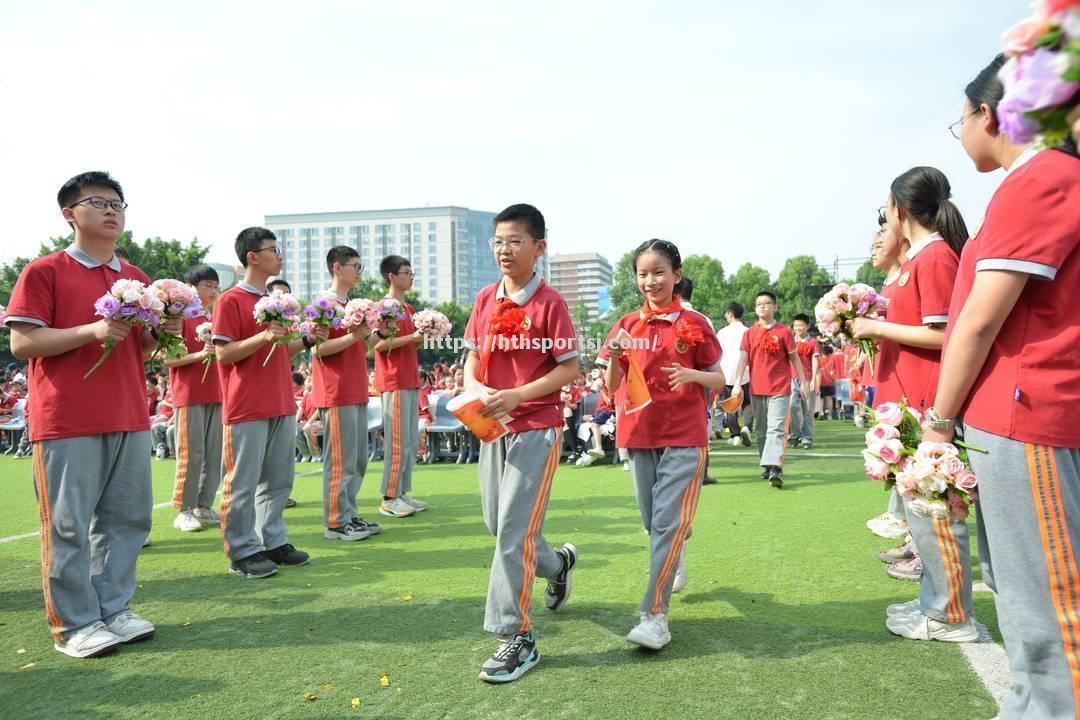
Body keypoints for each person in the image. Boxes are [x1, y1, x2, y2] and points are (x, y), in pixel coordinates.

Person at [923, 55, 1079, 715]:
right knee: (1024, 591)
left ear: (991, 114)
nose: (965, 135)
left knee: (1045, 603)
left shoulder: (1042, 176)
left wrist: (936, 420)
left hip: (1026, 409)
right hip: (1014, 415)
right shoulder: (1043, 178)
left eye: (961, 123)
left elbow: (980, 321)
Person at [6, 171, 180, 657]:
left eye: (118, 204)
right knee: (68, 525)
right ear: (69, 213)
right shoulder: (44, 271)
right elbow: (22, 343)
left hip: (127, 413)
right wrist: (91, 331)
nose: (111, 212)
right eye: (98, 202)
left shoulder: (137, 279)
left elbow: (141, 349)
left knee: (127, 519)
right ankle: (74, 623)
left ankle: (113, 608)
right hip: (66, 417)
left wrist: (163, 327)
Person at [849, 165, 974, 643]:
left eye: (886, 208)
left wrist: (876, 328)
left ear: (899, 210)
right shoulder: (922, 259)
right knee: (924, 516)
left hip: (928, 406)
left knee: (937, 513)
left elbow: (945, 335)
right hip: (910, 406)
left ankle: (950, 615)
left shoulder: (935, 257)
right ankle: (938, 606)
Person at [462, 203, 579, 683]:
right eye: (498, 241)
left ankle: (518, 637)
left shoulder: (550, 303)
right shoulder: (486, 298)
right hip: (493, 426)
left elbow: (569, 369)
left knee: (512, 532)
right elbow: (470, 359)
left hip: (537, 425)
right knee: (502, 527)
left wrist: (516, 395)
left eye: (514, 241)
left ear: (539, 248)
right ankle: (558, 565)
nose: (504, 250)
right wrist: (477, 388)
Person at [598, 239, 724, 650]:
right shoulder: (625, 325)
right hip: (638, 434)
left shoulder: (696, 323)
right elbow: (612, 386)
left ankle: (654, 616)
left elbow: (719, 379)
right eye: (643, 274)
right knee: (654, 524)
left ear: (677, 274)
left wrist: (693, 376)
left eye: (658, 272)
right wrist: (616, 358)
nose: (650, 281)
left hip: (685, 435)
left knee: (666, 526)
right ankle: (675, 553)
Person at [212, 227, 324, 579]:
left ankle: (272, 540)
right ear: (252, 257)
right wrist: (263, 334)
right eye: (273, 249)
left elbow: (278, 351)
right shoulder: (230, 300)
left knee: (278, 480)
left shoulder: (276, 303)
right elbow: (224, 353)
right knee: (242, 481)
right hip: (246, 403)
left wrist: (305, 339)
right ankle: (241, 550)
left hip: (279, 400)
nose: (280, 255)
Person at [310, 246, 380, 541]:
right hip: (335, 390)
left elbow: (362, 348)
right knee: (340, 460)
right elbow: (316, 348)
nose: (359, 272)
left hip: (356, 387)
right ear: (337, 268)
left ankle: (349, 513)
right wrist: (355, 335)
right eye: (356, 266)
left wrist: (377, 334)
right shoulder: (324, 303)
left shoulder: (353, 305)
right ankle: (336, 522)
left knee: (357, 459)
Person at [164, 264, 224, 533]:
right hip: (189, 394)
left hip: (216, 391)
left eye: (215, 286)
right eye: (207, 285)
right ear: (192, 288)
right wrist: (201, 355)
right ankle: (184, 509)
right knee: (192, 453)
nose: (213, 291)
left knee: (214, 453)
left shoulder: (214, 318)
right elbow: (168, 359)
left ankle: (204, 505)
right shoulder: (179, 319)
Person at [730, 291, 809, 488]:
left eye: (767, 303)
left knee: (776, 428)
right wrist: (738, 382)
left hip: (780, 388)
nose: (763, 307)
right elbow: (743, 360)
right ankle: (767, 465)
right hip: (757, 388)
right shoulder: (749, 333)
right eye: (759, 304)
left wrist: (803, 382)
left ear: (775, 307)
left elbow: (795, 358)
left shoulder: (784, 332)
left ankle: (776, 467)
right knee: (761, 430)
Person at [373, 255, 426, 518]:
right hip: (393, 380)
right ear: (392, 277)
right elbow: (377, 346)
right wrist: (412, 338)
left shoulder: (410, 309)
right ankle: (389, 498)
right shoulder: (384, 307)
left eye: (411, 272)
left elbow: (410, 342)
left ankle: (402, 492)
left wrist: (424, 336)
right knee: (397, 442)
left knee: (409, 441)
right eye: (406, 273)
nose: (410, 277)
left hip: (409, 378)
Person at [716, 302, 753, 446]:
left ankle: (735, 434)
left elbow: (717, 352)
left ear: (730, 314)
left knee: (730, 403)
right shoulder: (748, 331)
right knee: (748, 402)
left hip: (727, 371)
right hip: (745, 370)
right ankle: (747, 427)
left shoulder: (722, 332)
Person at [788, 313, 820, 449]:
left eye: (801, 325)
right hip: (791, 378)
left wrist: (813, 379)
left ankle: (807, 437)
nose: (798, 328)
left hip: (807, 379)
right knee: (792, 406)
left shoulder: (813, 342)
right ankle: (795, 434)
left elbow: (815, 360)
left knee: (807, 409)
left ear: (808, 326)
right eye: (796, 325)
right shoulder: (790, 340)